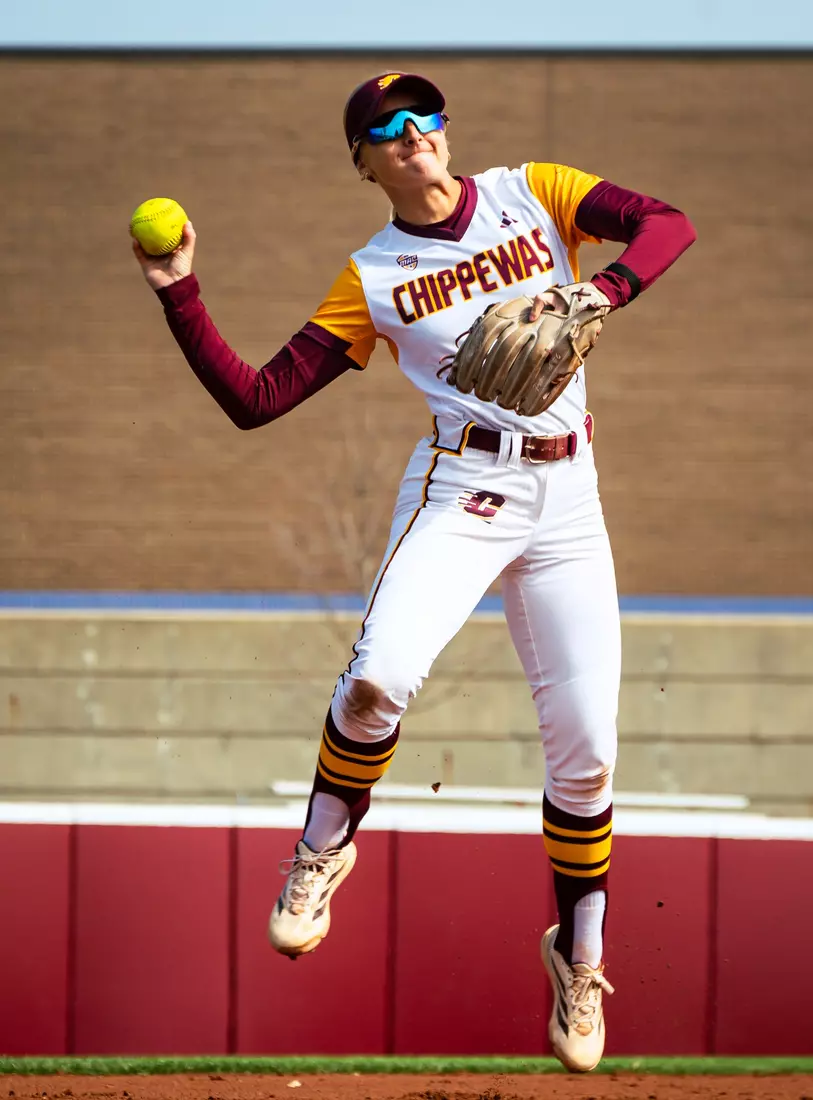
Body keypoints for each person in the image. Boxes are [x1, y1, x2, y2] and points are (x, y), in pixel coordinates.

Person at [133, 71, 695, 1072]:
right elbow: (257, 398)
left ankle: (580, 953)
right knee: (377, 678)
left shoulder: (535, 191)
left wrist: (598, 287)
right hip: (462, 488)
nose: (411, 133)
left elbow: (666, 223)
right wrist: (180, 290)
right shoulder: (374, 277)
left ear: (444, 128)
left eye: (422, 114)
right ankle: (318, 853)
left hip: (569, 501)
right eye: (382, 127)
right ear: (362, 161)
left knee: (588, 755)